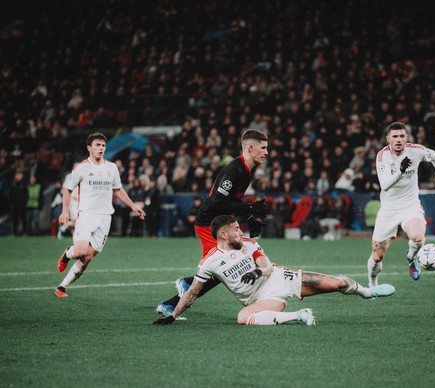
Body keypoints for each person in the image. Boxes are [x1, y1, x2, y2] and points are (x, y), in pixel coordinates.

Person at [153, 215, 395, 326]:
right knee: (243, 317)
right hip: (262, 299)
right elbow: (193, 291)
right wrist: (173, 316)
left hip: (281, 278)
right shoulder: (210, 261)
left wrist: (258, 272)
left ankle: (367, 292)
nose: (241, 231)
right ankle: (299, 315)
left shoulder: (248, 243)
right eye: (236, 229)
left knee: (338, 284)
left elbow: (266, 265)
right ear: (223, 234)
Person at [156, 129, 270, 317]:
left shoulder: (247, 169)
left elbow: (232, 200)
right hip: (210, 224)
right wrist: (248, 209)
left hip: (220, 223)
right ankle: (177, 295)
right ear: (251, 148)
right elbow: (217, 202)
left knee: (221, 268)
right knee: (222, 268)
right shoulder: (235, 170)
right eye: (263, 148)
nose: (266, 152)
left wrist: (249, 219)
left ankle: (180, 292)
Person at [55, 132, 146, 297]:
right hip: (86, 215)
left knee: (88, 257)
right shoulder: (82, 168)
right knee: (81, 251)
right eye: (97, 145)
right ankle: (68, 253)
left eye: (103, 145)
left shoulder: (111, 168)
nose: (101, 148)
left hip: (105, 217)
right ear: (89, 148)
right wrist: (65, 211)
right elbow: (67, 189)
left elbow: (117, 189)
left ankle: (62, 287)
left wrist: (133, 205)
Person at [366, 122, 435, 286]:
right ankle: (372, 283)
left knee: (418, 237)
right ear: (388, 138)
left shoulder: (415, 150)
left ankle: (411, 258)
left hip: (410, 206)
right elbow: (385, 185)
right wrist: (400, 170)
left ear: (406, 138)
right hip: (389, 209)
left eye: (401, 136)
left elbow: (434, 156)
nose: (398, 140)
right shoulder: (383, 156)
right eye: (395, 136)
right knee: (377, 256)